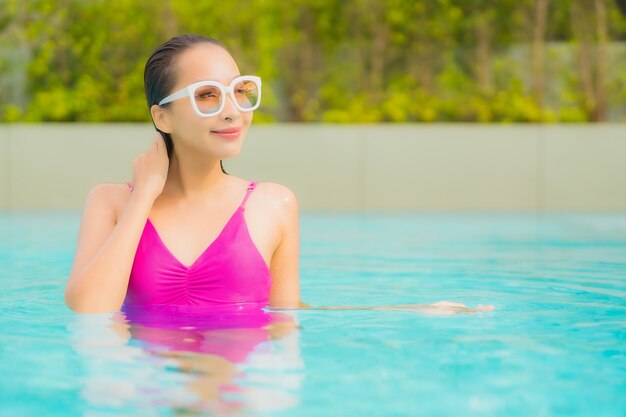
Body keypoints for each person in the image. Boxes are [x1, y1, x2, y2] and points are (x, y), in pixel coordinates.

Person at [64, 34, 493, 315]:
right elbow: (88, 311)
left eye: (240, 91)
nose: (233, 110)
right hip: (144, 395)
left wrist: (415, 309)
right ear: (163, 117)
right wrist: (145, 195)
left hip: (239, 395)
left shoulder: (274, 203)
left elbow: (287, 317)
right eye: (208, 96)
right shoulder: (112, 202)